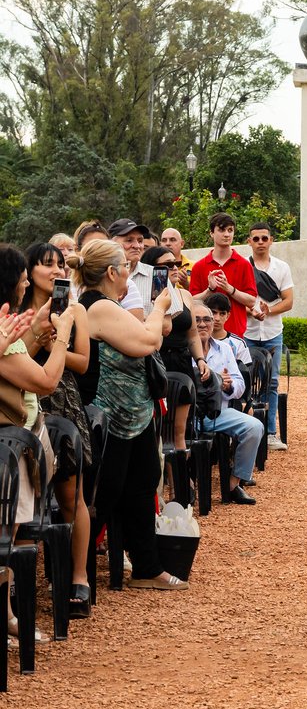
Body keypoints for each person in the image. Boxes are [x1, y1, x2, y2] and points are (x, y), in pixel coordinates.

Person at [71, 239, 186, 590]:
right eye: (124, 266)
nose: (128, 273)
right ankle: (75, 573)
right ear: (111, 272)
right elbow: (148, 341)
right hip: (106, 417)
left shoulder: (108, 304)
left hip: (131, 413)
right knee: (104, 494)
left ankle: (147, 567)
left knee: (141, 483)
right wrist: (160, 304)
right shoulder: (98, 307)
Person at [20, 243, 93, 616]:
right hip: (25, 399)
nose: (55, 270)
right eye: (46, 265)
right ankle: (19, 580)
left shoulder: (76, 309)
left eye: (59, 264)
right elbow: (14, 358)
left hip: (63, 399)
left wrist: (57, 343)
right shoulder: (20, 312)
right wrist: (37, 340)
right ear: (29, 271)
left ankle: (79, 578)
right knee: (25, 496)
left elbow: (82, 363)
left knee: (70, 495)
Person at [192, 302, 262, 504]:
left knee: (255, 426)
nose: (203, 324)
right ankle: (187, 484)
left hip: (219, 411)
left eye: (206, 319)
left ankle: (233, 484)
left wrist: (228, 387)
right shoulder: (183, 350)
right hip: (190, 414)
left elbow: (240, 386)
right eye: (197, 320)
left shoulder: (225, 349)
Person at [140, 247, 209, 452]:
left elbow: (193, 333)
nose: (173, 268)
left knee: (180, 430)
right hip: (155, 361)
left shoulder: (184, 295)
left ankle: (179, 478)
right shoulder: (142, 294)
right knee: (158, 427)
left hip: (181, 362)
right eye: (166, 265)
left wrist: (201, 360)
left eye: (176, 263)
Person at [243, 222, 294, 452]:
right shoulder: (243, 267)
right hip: (248, 333)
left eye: (265, 238)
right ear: (249, 241)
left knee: (271, 382)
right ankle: (246, 431)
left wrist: (267, 311)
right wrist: (251, 311)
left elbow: (288, 301)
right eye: (256, 238)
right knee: (244, 383)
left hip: (273, 332)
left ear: (271, 240)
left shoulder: (282, 267)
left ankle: (270, 432)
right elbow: (235, 299)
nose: (261, 242)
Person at [189, 212, 259, 338]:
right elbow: (192, 301)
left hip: (235, 335)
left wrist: (229, 289)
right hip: (205, 335)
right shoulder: (199, 266)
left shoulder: (244, 264)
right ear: (211, 233)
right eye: (221, 230)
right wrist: (210, 290)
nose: (227, 234)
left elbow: (251, 301)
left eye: (230, 230)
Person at [107, 218, 150, 321]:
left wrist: (139, 317)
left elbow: (167, 326)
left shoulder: (155, 274)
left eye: (140, 241)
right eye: (129, 240)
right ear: (111, 243)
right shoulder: (100, 276)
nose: (137, 246)